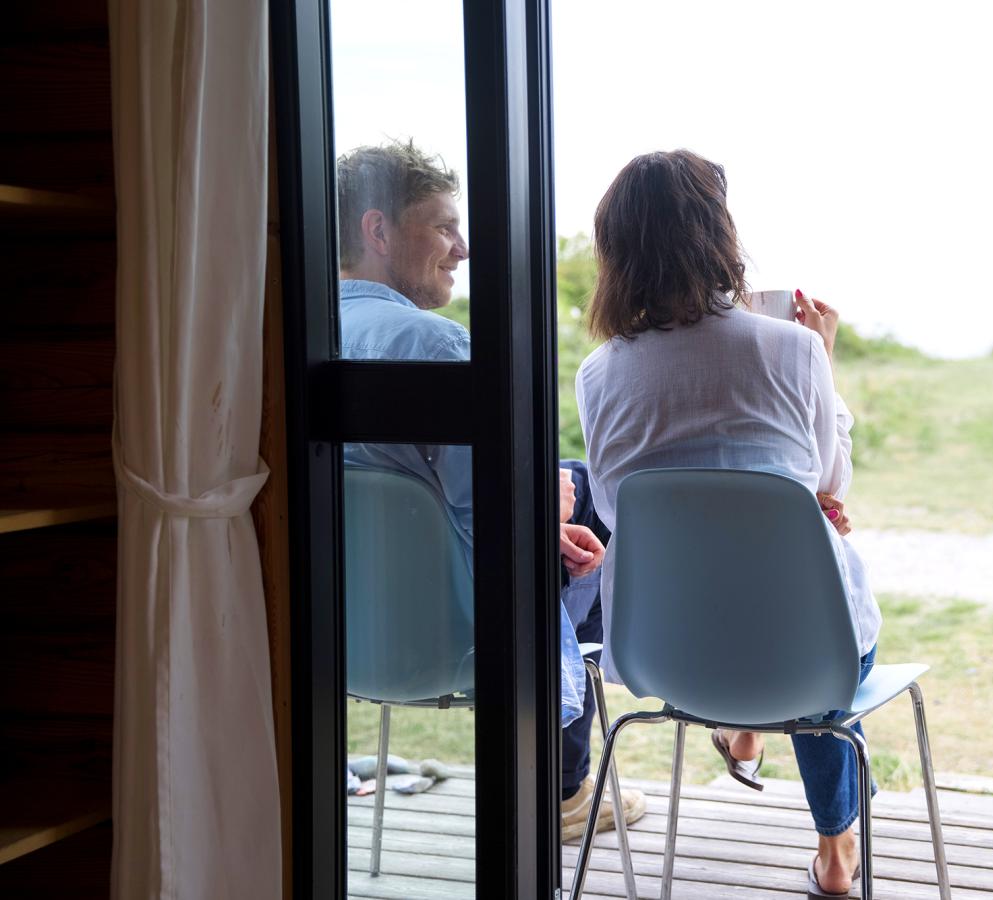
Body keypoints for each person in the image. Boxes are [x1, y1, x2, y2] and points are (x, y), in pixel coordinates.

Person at [575, 149, 881, 897]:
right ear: (717, 234)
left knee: (778, 631)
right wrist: (823, 364)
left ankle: (740, 727)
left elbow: (616, 507)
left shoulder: (597, 373)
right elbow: (829, 483)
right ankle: (836, 851)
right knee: (821, 652)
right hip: (805, 649)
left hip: (669, 654)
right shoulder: (793, 348)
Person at [335, 140, 646, 838]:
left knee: (566, 490)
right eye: (444, 226)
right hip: (450, 635)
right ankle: (562, 787)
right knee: (587, 499)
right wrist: (541, 509)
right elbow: (497, 520)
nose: (464, 248)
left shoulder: (298, 338)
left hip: (338, 632)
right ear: (378, 230)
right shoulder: (433, 347)